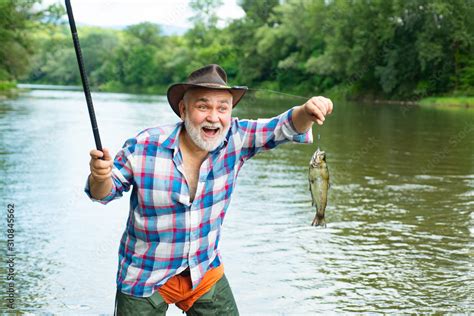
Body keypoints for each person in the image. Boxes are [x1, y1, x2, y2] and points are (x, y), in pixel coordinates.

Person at [85, 64, 333, 315]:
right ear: (183, 110)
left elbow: (284, 126)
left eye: (222, 108)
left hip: (202, 269)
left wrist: (307, 110)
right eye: (203, 106)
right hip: (144, 274)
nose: (214, 117)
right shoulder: (144, 145)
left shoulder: (236, 138)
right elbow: (103, 192)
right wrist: (100, 175)